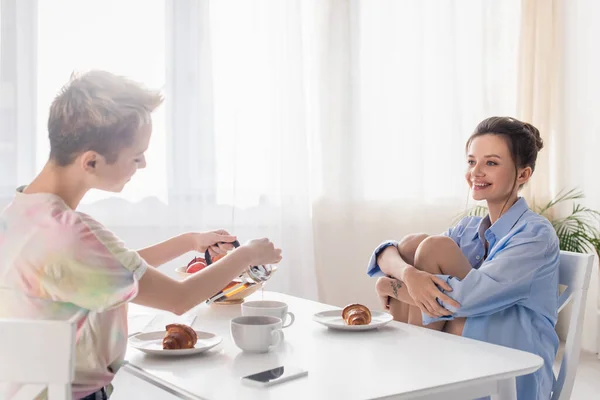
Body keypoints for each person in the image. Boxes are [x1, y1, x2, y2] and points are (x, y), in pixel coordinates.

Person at [0, 71, 282, 399]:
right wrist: (248, 254)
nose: (143, 164)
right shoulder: (71, 235)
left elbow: (110, 270)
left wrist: (188, 241)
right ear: (90, 161)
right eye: (136, 156)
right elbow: (178, 299)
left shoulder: (22, 215)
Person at [366, 117, 559, 399]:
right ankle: (414, 374)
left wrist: (390, 286)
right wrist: (407, 275)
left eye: (491, 163)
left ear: (523, 175)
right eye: (471, 162)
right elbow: (388, 252)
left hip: (513, 358)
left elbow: (463, 300)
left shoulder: (535, 234)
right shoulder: (468, 228)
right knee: (413, 244)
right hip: (466, 345)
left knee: (434, 250)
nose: (476, 172)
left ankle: (413, 376)